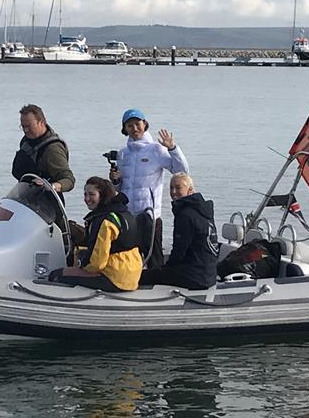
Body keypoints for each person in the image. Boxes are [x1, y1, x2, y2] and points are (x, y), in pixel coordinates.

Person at [109, 108, 189, 268]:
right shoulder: (123, 154)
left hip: (150, 215)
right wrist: (115, 181)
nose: (135, 128)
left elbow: (181, 171)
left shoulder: (156, 149)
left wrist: (172, 148)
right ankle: (132, 285)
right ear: (124, 129)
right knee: (130, 256)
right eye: (130, 125)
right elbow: (120, 188)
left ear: (145, 124)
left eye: (137, 124)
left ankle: (157, 286)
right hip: (128, 215)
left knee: (154, 257)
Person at [49, 177, 142, 292]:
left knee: (56, 275)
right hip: (132, 276)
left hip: (113, 278)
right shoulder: (124, 213)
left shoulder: (105, 222)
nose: (87, 199)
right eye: (85, 194)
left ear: (102, 195)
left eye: (92, 194)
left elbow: (97, 264)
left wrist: (80, 267)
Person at [140, 173, 219, 290]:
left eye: (178, 187)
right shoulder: (204, 211)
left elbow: (179, 251)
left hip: (194, 276)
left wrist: (165, 269)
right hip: (208, 274)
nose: (173, 192)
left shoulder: (186, 215)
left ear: (190, 190)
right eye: (171, 188)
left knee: (143, 276)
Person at [11, 104, 75, 198]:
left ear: (41, 122)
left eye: (29, 126)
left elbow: (69, 180)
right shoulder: (26, 141)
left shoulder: (53, 149)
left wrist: (51, 186)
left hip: (46, 204)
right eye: (23, 126)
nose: (25, 130)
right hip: (26, 198)